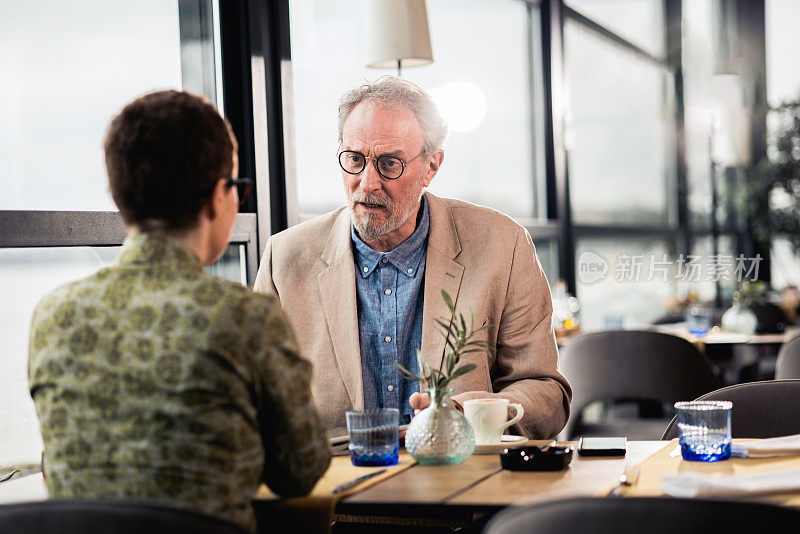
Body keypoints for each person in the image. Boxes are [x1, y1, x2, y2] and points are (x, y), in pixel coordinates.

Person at [28, 90, 330, 531]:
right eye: (236, 189)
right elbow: (300, 472)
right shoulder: (244, 318)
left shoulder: (52, 315)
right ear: (215, 198)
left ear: (117, 194)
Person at [254, 77, 571, 438]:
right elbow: (256, 400)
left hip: (461, 480)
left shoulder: (503, 244)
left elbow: (548, 393)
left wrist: (481, 413)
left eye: (389, 164)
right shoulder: (285, 258)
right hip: (333, 484)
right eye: (355, 160)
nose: (367, 182)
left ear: (431, 167)